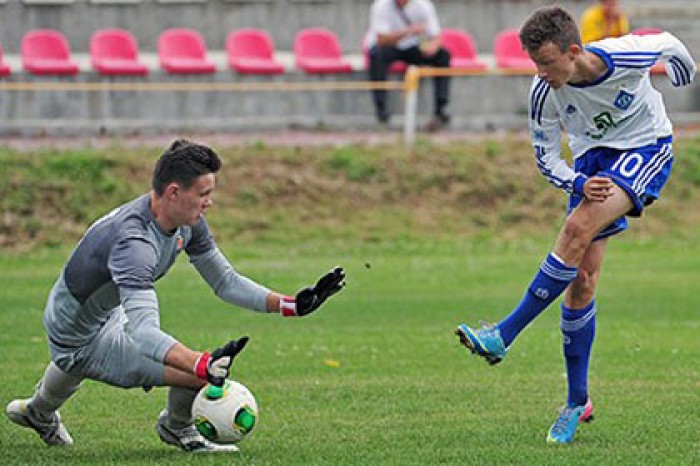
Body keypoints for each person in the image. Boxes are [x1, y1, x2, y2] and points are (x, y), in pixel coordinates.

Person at [5, 139, 346, 452]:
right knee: (195, 373)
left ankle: (37, 411)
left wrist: (290, 305)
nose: (209, 202)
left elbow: (224, 281)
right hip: (81, 336)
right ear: (173, 192)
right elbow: (144, 332)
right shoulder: (134, 244)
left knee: (92, 350)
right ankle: (177, 428)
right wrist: (203, 364)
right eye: (203, 193)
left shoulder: (185, 220)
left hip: (96, 314)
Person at [455, 6, 695, 444]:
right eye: (534, 63)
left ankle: (503, 334)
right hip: (591, 164)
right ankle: (576, 403)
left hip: (645, 146)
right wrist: (579, 180)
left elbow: (667, 42)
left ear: (574, 50)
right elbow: (546, 158)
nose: (541, 72)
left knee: (575, 229)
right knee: (581, 281)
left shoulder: (624, 56)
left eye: (547, 62)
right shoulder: (543, 92)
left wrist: (683, 70)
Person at [366, 0, 451, 128]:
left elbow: (436, 36)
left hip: (413, 47)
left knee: (443, 56)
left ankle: (441, 108)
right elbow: (381, 39)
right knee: (377, 56)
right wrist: (408, 31)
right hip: (389, 46)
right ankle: (381, 109)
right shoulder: (381, 6)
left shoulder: (424, 5)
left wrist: (432, 47)